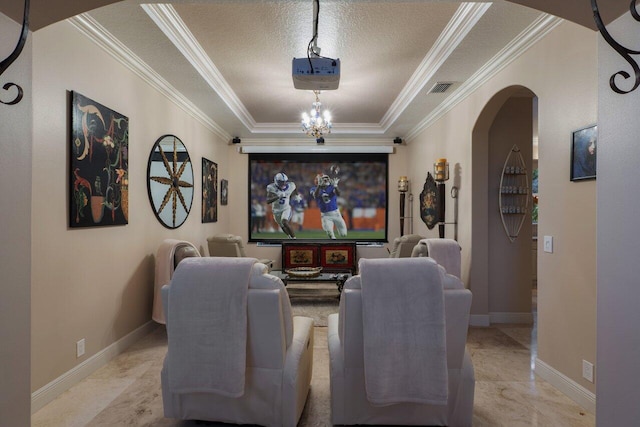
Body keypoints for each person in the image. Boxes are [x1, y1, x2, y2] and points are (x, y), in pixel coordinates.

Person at [310, 174, 347, 239]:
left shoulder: (331, 187)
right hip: (326, 216)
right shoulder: (314, 189)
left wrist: (335, 186)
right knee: (330, 234)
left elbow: (339, 194)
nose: (326, 180)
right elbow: (315, 195)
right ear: (319, 180)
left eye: (326, 178)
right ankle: (334, 246)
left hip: (336, 214)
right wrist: (319, 186)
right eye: (323, 179)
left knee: (343, 234)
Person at [265, 172, 296, 238]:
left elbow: (295, 189)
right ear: (276, 181)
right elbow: (268, 201)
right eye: (281, 182)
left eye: (285, 182)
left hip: (286, 208)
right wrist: (277, 196)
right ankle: (289, 236)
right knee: (282, 226)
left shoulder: (291, 185)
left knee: (285, 222)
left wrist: (297, 195)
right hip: (276, 211)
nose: (283, 183)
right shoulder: (271, 187)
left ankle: (294, 239)